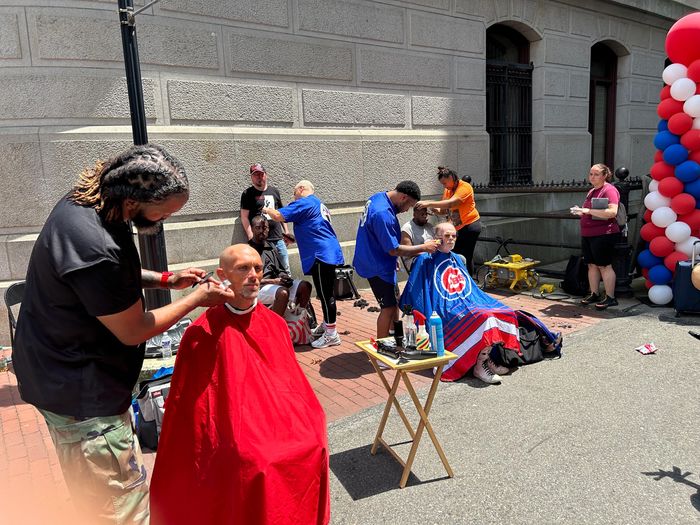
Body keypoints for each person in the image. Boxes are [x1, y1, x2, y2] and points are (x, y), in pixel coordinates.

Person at [11, 144, 237, 524]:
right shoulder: (97, 245)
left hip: (54, 376)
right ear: (134, 199)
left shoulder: (88, 207)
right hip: (83, 396)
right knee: (120, 505)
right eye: (164, 211)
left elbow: (108, 280)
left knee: (93, 492)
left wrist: (165, 278)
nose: (164, 219)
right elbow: (135, 329)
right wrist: (197, 297)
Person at [150, 244, 329, 525]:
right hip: (230, 429)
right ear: (222, 274)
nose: (254, 275)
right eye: (243, 269)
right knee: (255, 460)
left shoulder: (276, 324)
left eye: (257, 268)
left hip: (276, 421)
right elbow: (195, 412)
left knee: (313, 440)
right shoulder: (201, 332)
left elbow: (290, 386)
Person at [400, 222, 561, 384]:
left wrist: (476, 301)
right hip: (446, 309)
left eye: (453, 236)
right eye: (446, 235)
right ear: (436, 239)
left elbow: (468, 287)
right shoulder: (424, 260)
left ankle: (488, 358)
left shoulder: (457, 259)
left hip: (467, 301)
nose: (451, 239)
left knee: (504, 311)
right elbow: (416, 290)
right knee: (486, 317)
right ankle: (479, 366)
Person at [264, 180, 344, 348]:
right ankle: (327, 325)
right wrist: (294, 237)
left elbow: (278, 215)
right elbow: (314, 227)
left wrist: (264, 208)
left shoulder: (306, 202)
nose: (294, 197)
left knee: (325, 294)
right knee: (324, 293)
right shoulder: (317, 204)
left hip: (321, 254)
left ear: (301, 189)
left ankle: (331, 333)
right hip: (326, 252)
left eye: (294, 193)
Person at [353, 181, 439, 338]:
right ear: (403, 197)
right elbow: (394, 249)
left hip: (380, 259)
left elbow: (386, 243)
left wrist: (394, 257)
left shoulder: (378, 197)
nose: (407, 210)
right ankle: (382, 346)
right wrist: (424, 247)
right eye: (409, 205)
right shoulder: (382, 214)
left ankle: (395, 337)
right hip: (376, 266)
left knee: (395, 302)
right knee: (388, 307)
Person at [570, 163, 621, 310]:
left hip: (604, 233)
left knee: (604, 265)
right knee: (591, 264)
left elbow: (612, 212)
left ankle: (610, 297)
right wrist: (581, 211)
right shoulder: (592, 190)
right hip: (588, 233)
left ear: (605, 175)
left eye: (596, 174)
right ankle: (594, 292)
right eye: (591, 174)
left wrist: (587, 210)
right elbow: (589, 211)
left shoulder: (609, 190)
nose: (592, 177)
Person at [416, 166, 482, 276]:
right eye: (443, 184)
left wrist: (429, 203)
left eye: (445, 183)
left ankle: (469, 282)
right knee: (456, 253)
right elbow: (443, 210)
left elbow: (452, 203)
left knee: (466, 255)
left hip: (470, 225)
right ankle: (458, 280)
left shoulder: (465, 187)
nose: (444, 186)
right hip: (457, 228)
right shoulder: (448, 190)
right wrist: (432, 210)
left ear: (452, 178)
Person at [248, 214, 312, 317]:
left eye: (265, 228)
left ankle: (299, 317)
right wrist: (273, 281)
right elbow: (247, 279)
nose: (262, 231)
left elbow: (280, 269)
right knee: (283, 293)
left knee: (305, 286)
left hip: (276, 285)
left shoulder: (271, 248)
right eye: (258, 228)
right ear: (251, 229)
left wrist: (284, 278)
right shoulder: (247, 251)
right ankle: (275, 327)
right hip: (257, 288)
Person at [239, 162, 292, 274]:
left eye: (261, 174)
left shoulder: (274, 191)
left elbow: (281, 213)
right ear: (251, 177)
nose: (259, 177)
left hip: (278, 239)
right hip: (260, 240)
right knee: (262, 271)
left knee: (285, 269)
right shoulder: (247, 194)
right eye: (256, 174)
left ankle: (288, 290)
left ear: (266, 175)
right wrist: (250, 235)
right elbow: (244, 217)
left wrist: (286, 231)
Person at [400, 206, 435, 272]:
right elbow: (407, 252)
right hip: (415, 259)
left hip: (431, 256)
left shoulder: (429, 226)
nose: (425, 216)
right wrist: (427, 251)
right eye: (422, 214)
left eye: (426, 214)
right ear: (414, 215)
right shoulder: (407, 229)